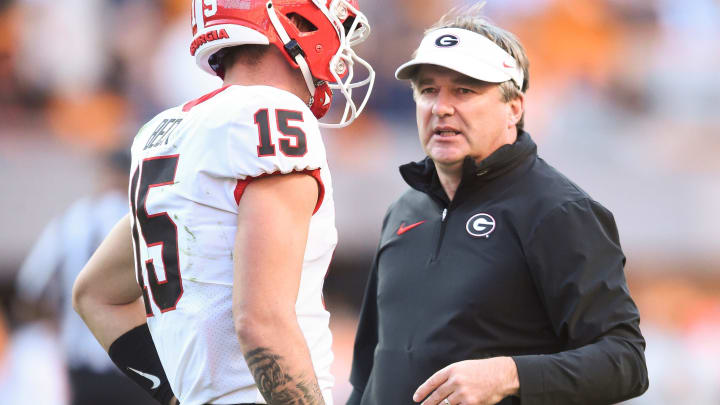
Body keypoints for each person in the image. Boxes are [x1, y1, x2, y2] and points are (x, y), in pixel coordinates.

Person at [72, 1, 374, 404]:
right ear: (296, 21)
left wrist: (180, 394)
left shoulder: (165, 130)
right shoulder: (273, 114)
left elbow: (94, 294)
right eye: (334, 25)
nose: (340, 49)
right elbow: (262, 322)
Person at [348, 8, 648, 405]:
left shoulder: (558, 211)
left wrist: (511, 374)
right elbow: (368, 373)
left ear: (514, 107)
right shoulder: (405, 209)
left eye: (464, 91)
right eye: (428, 90)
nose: (441, 107)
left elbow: (625, 362)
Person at [15, 148, 157, 405]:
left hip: (80, 366)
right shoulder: (143, 217)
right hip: (138, 362)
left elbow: (31, 284)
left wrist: (59, 322)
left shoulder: (71, 219)